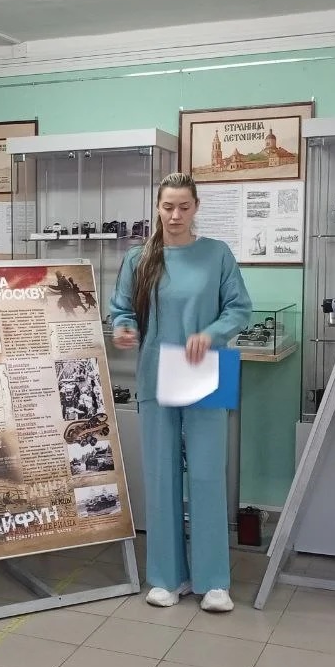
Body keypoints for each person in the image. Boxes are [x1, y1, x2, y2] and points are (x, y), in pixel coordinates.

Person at [108, 171, 252, 613]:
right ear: (158, 207)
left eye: (183, 207)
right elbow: (122, 310)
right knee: (161, 475)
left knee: (207, 475)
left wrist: (211, 334)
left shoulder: (217, 254)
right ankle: (167, 577)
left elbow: (239, 309)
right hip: (156, 376)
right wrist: (124, 328)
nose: (175, 215)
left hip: (206, 371)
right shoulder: (139, 259)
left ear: (196, 208)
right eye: (168, 206)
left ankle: (214, 581)